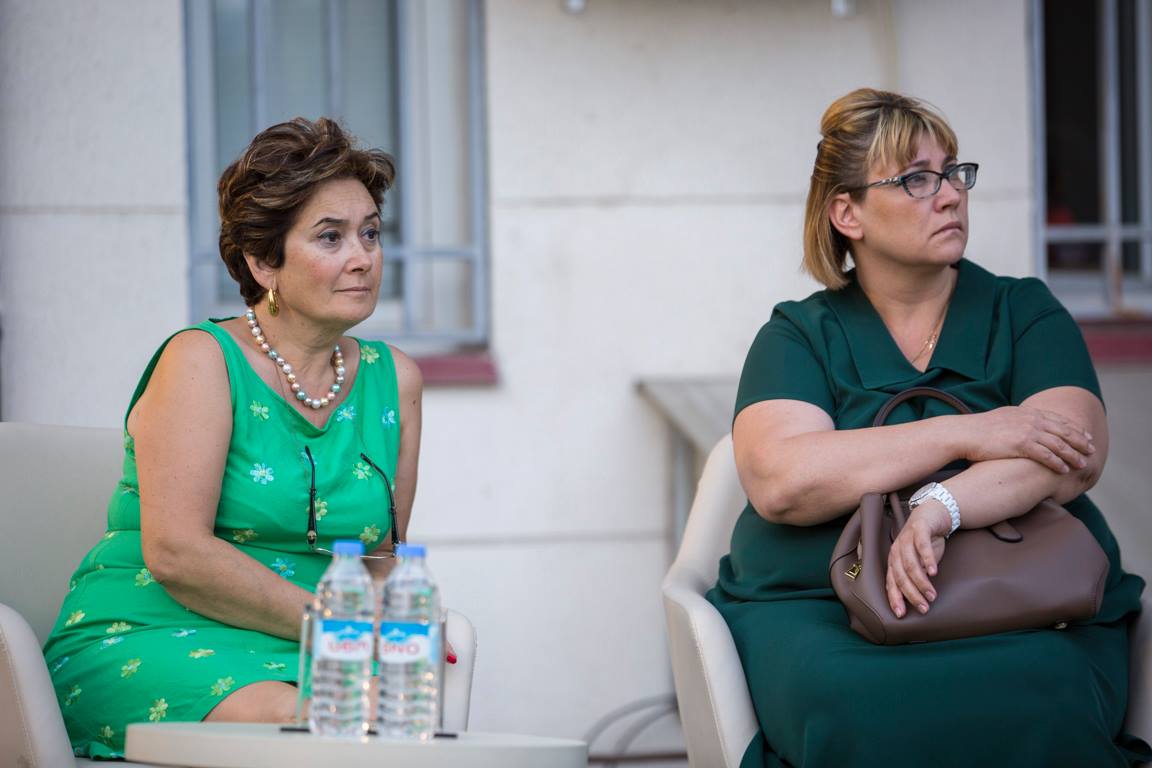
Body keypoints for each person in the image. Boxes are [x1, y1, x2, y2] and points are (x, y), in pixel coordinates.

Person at [707, 89, 1150, 768]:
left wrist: (941, 507)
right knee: (851, 704)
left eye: (954, 173)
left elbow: (1071, 453)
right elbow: (783, 481)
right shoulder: (799, 334)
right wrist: (967, 434)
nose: (949, 196)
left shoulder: (1023, 311)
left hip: (1029, 601)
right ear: (847, 213)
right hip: (823, 608)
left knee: (1048, 694)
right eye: (916, 179)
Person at [42, 117, 424, 758]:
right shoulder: (202, 361)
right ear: (262, 261)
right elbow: (178, 555)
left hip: (312, 648)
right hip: (152, 635)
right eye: (330, 237)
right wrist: (342, 629)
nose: (363, 257)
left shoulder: (397, 380)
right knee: (321, 720)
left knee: (391, 715)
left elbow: (380, 559)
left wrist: (398, 629)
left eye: (370, 233)